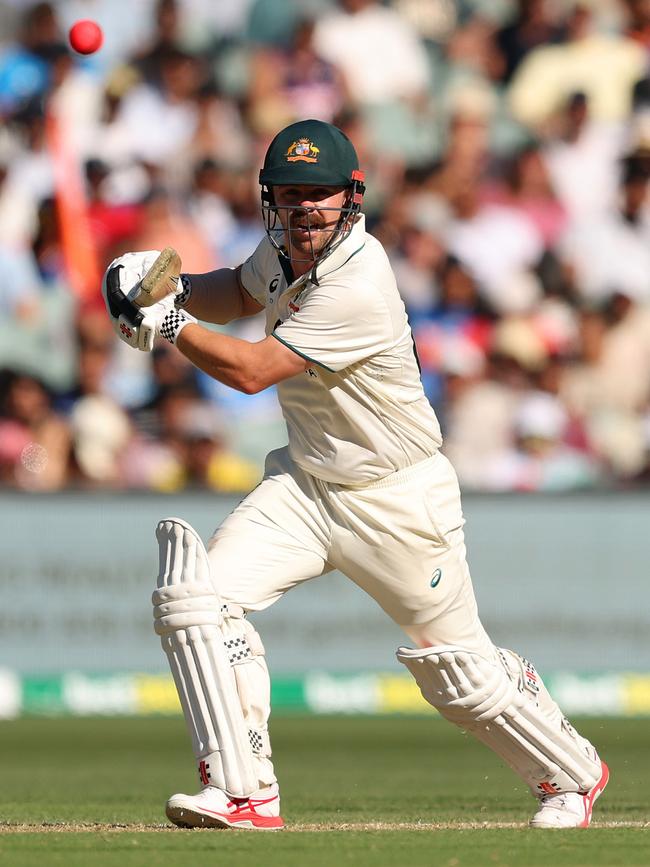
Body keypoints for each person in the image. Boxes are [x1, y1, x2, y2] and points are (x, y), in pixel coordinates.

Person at [101, 119, 608, 831]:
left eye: (319, 194)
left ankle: (573, 771)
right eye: (290, 194)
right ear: (270, 201)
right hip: (307, 486)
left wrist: (169, 320)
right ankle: (245, 790)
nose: (305, 209)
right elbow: (238, 292)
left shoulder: (359, 279)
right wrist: (170, 287)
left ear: (352, 197)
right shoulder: (281, 252)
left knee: (457, 674)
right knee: (197, 598)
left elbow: (251, 371)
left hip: (396, 497)